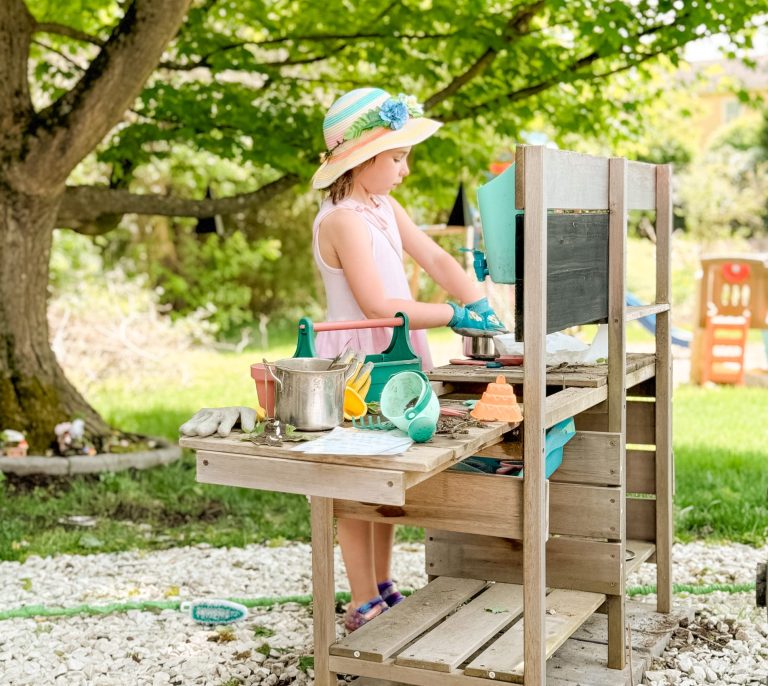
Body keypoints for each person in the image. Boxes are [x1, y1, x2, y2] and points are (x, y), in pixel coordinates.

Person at [310, 87, 507, 632]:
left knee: (389, 476)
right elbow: (376, 305)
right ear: (362, 159)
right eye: (396, 157)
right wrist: (451, 315)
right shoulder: (343, 219)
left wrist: (480, 303)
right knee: (356, 482)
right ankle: (359, 600)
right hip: (359, 365)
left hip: (397, 357)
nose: (404, 168)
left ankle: (381, 583)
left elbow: (438, 257)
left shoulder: (383, 207)